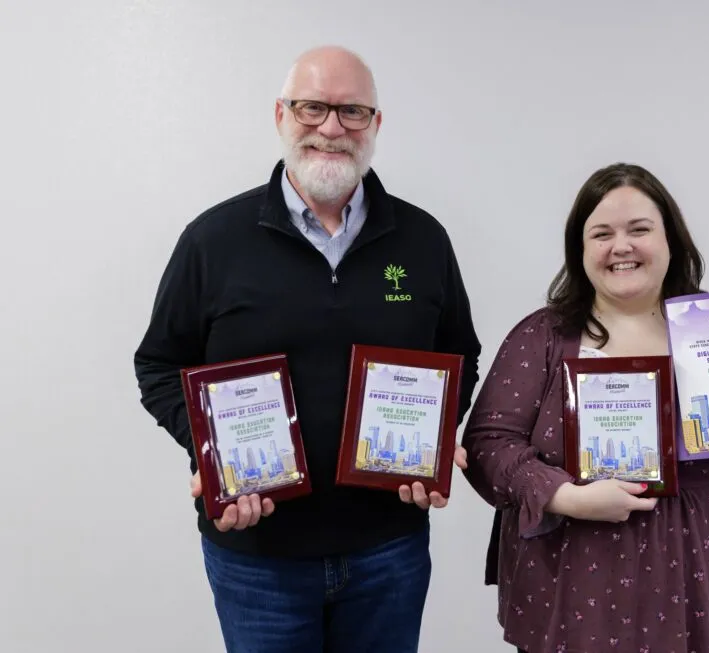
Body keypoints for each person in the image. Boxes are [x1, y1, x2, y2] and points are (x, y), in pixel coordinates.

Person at [133, 45, 481, 653]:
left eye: (352, 112)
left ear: (376, 124)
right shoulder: (213, 240)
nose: (331, 128)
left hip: (389, 553)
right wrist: (210, 450)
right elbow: (159, 364)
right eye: (312, 107)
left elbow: (461, 354)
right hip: (257, 560)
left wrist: (431, 441)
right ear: (280, 115)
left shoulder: (424, 240)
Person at [460, 162, 709, 653]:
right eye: (602, 233)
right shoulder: (543, 336)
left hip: (704, 566)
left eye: (639, 229)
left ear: (670, 240)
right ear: (581, 250)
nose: (622, 246)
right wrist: (566, 496)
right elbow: (489, 445)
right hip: (576, 572)